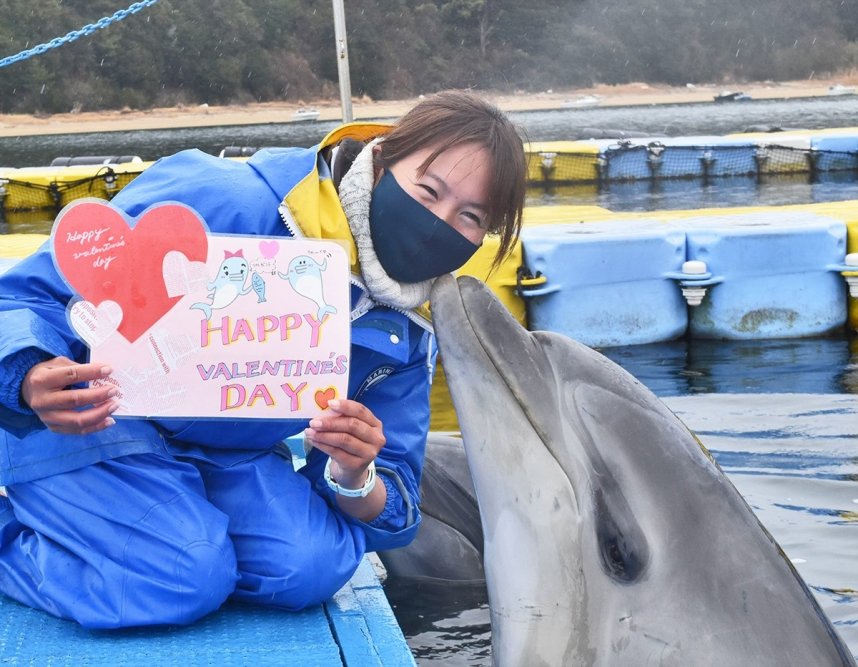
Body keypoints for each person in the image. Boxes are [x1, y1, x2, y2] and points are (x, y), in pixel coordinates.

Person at [0, 90, 526, 629]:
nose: (437, 220)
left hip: (228, 451)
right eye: (428, 189)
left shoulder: (410, 326)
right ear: (386, 157)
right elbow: (21, 298)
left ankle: (169, 526)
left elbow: (394, 498)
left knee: (313, 567)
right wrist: (27, 377)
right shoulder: (226, 197)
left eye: (469, 216)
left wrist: (355, 471)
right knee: (182, 577)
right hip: (95, 427)